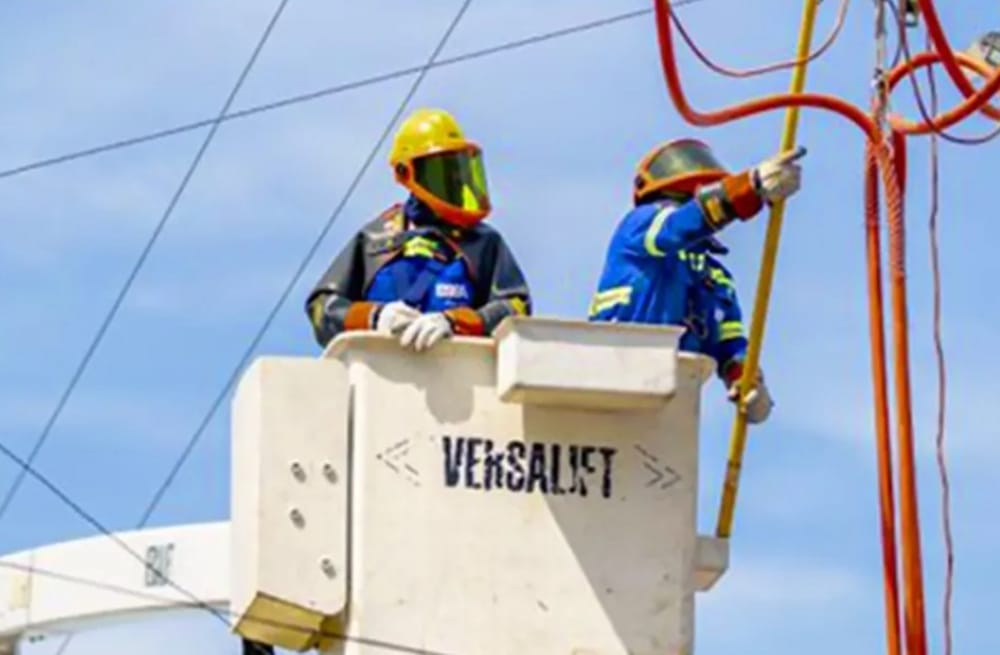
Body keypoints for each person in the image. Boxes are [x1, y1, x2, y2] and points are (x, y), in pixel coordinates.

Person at [587, 138, 806, 424]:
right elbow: (677, 227)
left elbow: (730, 344)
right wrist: (748, 189)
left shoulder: (714, 277)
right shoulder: (640, 226)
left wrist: (746, 379)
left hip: (670, 404)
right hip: (613, 380)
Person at [305, 108, 532, 352]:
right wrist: (374, 316)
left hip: (460, 375)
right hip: (380, 373)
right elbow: (322, 307)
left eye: (457, 169)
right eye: (441, 170)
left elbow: (516, 306)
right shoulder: (374, 240)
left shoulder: (482, 242)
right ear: (406, 173)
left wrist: (456, 322)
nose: (453, 180)